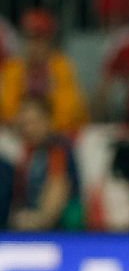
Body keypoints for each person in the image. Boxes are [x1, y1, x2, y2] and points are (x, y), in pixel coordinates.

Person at [7, 94, 82, 231]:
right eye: (24, 124)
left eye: (33, 122)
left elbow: (57, 186)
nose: (28, 129)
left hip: (62, 227)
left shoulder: (58, 148)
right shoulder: (25, 151)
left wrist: (39, 219)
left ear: (47, 121)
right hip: (28, 218)